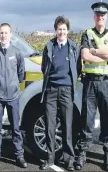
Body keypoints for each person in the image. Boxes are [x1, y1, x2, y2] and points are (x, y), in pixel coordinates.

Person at [76, 1, 108, 171]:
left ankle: (107, 153)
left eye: (103, 15)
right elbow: (85, 55)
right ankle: (82, 153)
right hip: (91, 82)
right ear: (94, 16)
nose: (100, 17)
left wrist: (95, 51)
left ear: (106, 17)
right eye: (97, 15)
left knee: (107, 119)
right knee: (87, 119)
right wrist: (103, 55)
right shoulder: (87, 33)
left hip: (107, 82)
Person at [39, 16, 81, 171]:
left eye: (64, 29)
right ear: (56, 30)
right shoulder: (49, 46)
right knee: (49, 126)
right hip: (51, 90)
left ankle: (69, 159)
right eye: (59, 29)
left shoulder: (73, 47)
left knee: (67, 125)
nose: (61, 32)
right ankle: (49, 159)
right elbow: (45, 67)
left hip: (66, 90)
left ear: (67, 30)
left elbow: (78, 68)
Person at [0, 23, 27, 169]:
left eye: (6, 33)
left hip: (13, 97)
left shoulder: (17, 53)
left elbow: (21, 73)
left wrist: (14, 85)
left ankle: (19, 156)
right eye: (1, 33)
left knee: (16, 128)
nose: (3, 35)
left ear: (10, 34)